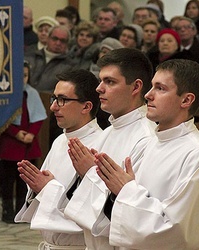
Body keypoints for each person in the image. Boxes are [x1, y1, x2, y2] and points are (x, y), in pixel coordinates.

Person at [93, 59, 199, 249]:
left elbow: (178, 231)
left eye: (160, 88)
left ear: (186, 100)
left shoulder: (198, 156)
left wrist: (126, 190)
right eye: (152, 86)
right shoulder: (150, 142)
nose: (148, 95)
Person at [65, 48, 156, 249]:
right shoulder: (107, 133)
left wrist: (89, 173)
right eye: (101, 80)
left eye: (110, 82)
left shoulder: (147, 138)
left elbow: (137, 208)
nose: (99, 88)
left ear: (136, 87)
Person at [14, 69, 102, 249]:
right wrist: (38, 188)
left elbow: (94, 210)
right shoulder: (60, 140)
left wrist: (48, 189)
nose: (53, 106)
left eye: (62, 100)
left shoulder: (100, 145)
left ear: (86, 106)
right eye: (54, 99)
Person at [0, 61, 47, 223]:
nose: (23, 79)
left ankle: (23, 208)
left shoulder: (31, 93)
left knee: (25, 180)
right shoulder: (4, 94)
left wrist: (32, 134)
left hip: (28, 144)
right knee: (8, 179)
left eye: (26, 75)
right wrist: (16, 133)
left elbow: (38, 117)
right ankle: (7, 209)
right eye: (19, 76)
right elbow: (1, 119)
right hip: (10, 144)